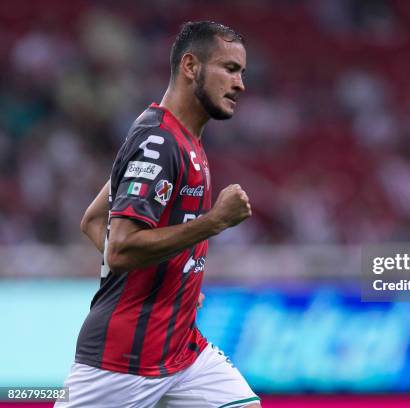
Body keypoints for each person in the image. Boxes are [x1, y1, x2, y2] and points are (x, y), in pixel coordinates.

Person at [55, 21, 261, 408]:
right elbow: (120, 249)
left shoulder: (184, 138)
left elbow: (94, 219)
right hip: (121, 363)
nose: (240, 84)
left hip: (182, 352)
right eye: (230, 69)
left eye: (242, 73)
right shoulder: (158, 142)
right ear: (190, 66)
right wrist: (215, 222)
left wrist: (170, 279)